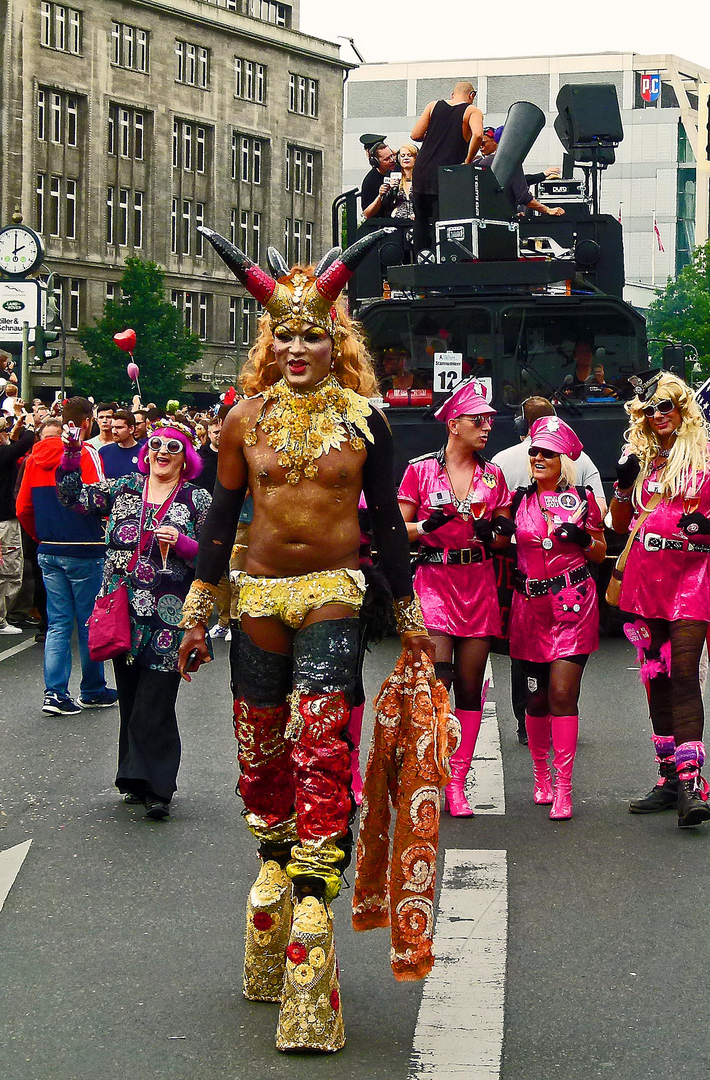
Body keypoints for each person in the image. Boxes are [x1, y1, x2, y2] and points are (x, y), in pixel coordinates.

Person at [178, 224, 431, 1052]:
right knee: (260, 746)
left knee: (322, 737)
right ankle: (275, 868)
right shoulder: (242, 420)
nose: (295, 344)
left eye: (310, 332)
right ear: (268, 343)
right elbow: (220, 520)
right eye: (281, 332)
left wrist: (408, 615)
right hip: (255, 594)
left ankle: (315, 896)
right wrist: (195, 610)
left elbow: (385, 524)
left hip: (331, 592)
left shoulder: (366, 422)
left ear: (335, 342)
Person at [56, 420, 211, 819]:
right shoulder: (124, 487)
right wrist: (72, 452)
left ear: (186, 458)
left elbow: (212, 556)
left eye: (172, 448)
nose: (162, 452)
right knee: (130, 698)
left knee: (155, 703)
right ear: (147, 453)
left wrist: (183, 542)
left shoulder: (196, 499)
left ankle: (159, 787)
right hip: (123, 614)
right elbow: (72, 498)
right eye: (156, 445)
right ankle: (133, 777)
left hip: (169, 616)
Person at [611, 373, 710, 828]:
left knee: (684, 673)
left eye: (665, 406)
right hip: (645, 579)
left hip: (691, 576)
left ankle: (690, 781)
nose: (658, 415)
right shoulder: (639, 459)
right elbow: (619, 521)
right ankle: (667, 777)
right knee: (657, 677)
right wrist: (623, 487)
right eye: (649, 409)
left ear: (683, 408)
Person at [399, 378, 511, 816]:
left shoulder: (494, 475)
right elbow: (398, 530)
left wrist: (495, 532)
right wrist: (428, 526)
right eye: (478, 420)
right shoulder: (420, 469)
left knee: (469, 686)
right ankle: (430, 774)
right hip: (434, 580)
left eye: (488, 421)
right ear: (454, 424)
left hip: (478, 580)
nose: (486, 428)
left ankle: (457, 782)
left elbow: (503, 537)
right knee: (436, 683)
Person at [507, 416, 605, 820]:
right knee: (536, 697)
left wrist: (581, 537)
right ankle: (541, 776)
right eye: (534, 451)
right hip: (529, 609)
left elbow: (599, 551)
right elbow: (499, 544)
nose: (538, 458)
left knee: (563, 694)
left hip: (574, 606)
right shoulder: (516, 500)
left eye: (547, 452)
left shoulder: (583, 499)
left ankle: (564, 787)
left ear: (564, 459)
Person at [17, 397, 117, 715]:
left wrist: (41, 536)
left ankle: (55, 692)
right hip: (85, 547)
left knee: (59, 622)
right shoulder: (87, 453)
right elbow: (101, 501)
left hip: (49, 547)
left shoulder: (34, 458)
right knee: (89, 621)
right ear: (87, 421)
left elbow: (23, 507)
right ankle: (92, 688)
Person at [0, 416, 36, 634]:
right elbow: (24, 443)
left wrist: (13, 431)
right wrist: (29, 425)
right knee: (8, 572)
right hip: (4, 521)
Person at [411, 81, 483, 245]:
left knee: (421, 220)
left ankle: (421, 261)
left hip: (422, 171)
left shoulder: (433, 106)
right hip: (448, 175)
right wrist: (468, 160)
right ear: (472, 95)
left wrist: (434, 136)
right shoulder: (472, 110)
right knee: (444, 222)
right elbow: (478, 135)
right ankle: (442, 263)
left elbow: (415, 135)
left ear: (452, 94)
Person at [358, 136, 398, 220]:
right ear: (375, 162)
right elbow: (366, 214)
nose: (392, 160)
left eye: (392, 156)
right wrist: (380, 196)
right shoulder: (370, 181)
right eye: (386, 159)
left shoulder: (401, 168)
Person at [99, 410, 142, 478]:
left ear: (131, 429)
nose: (114, 431)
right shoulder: (104, 452)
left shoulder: (143, 452)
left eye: (119, 427)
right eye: (112, 427)